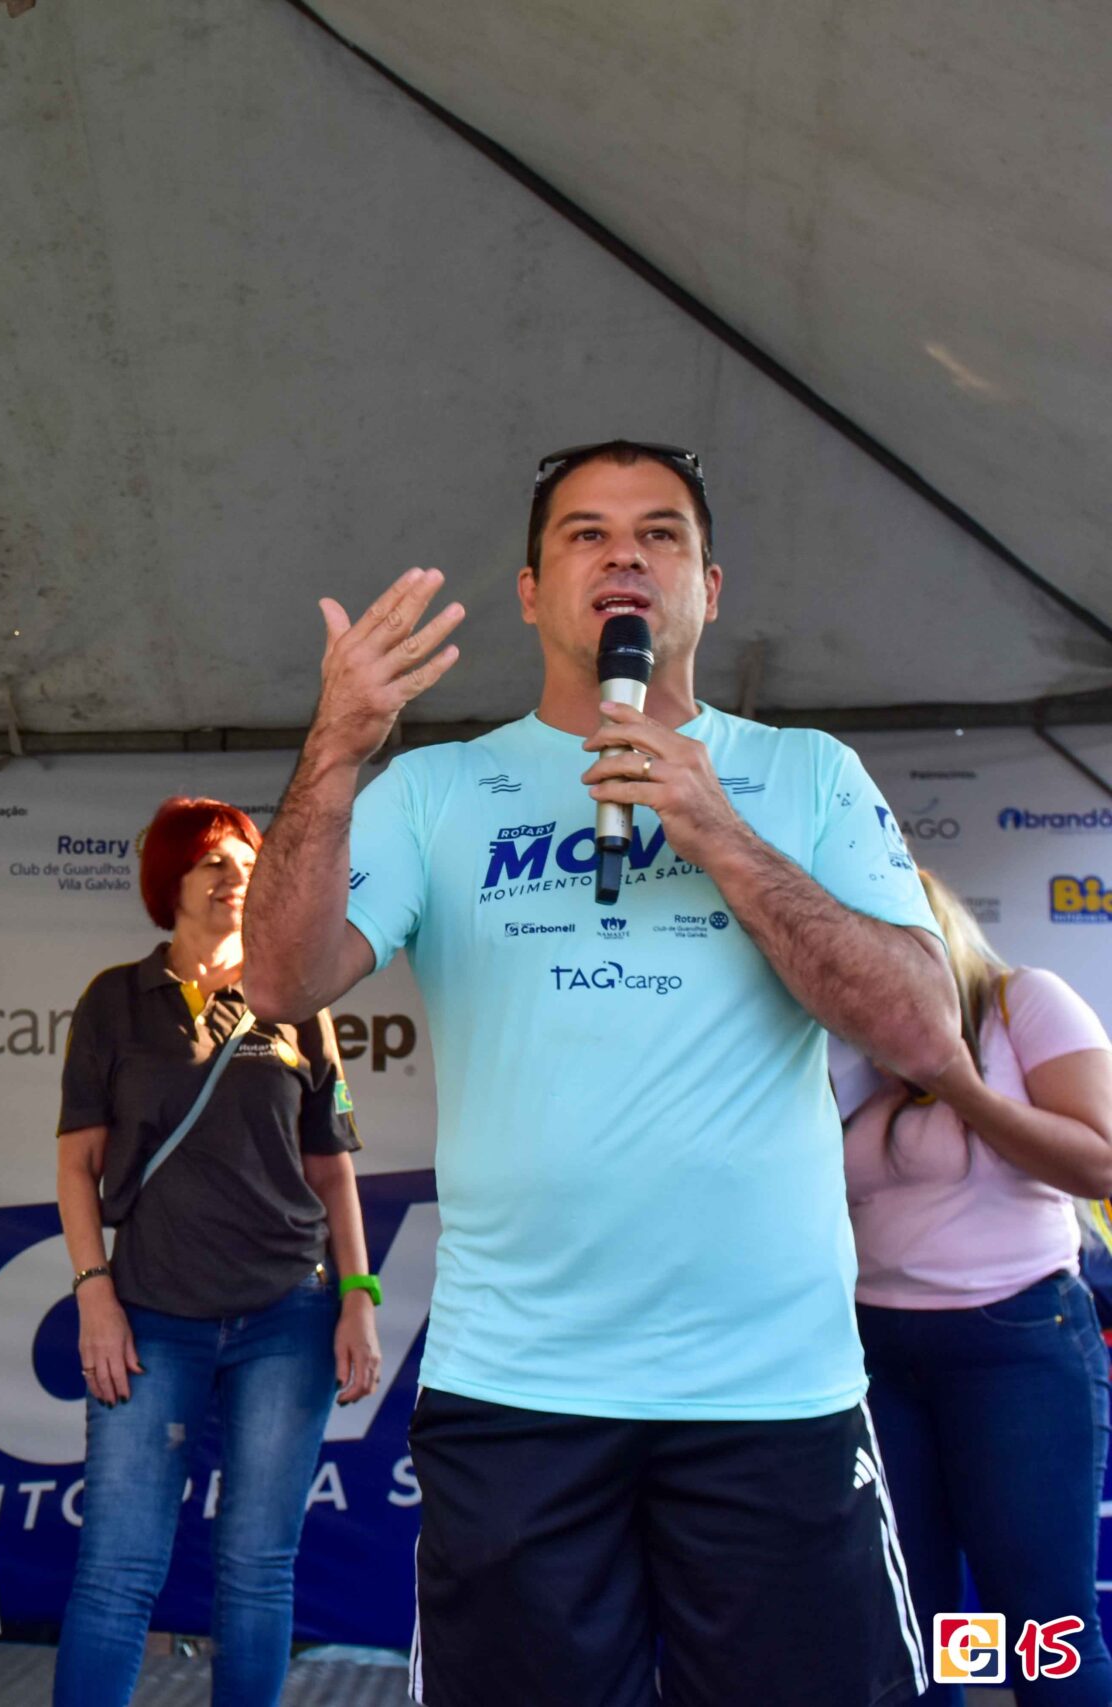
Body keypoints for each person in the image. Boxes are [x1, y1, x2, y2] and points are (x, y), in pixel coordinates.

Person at [239, 441, 966, 1706]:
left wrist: (721, 835)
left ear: (709, 589)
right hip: (519, 1388)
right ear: (529, 593)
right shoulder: (436, 788)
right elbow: (279, 982)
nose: (623, 554)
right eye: (585, 533)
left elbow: (921, 1033)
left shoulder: (802, 772)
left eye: (659, 533)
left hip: (768, 1387)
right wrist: (336, 750)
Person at [52, 796, 379, 1707]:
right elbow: (76, 1165)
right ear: (171, 879)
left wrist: (358, 1292)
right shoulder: (115, 1000)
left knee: (257, 1566)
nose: (235, 877)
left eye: (246, 861)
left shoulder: (295, 997)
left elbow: (332, 1168)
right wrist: (94, 1293)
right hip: (151, 1316)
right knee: (117, 1567)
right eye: (212, 862)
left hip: (288, 1314)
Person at [844, 869, 1112, 1705]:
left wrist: (957, 1081)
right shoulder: (846, 1037)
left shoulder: (1019, 1002)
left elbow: (1099, 1160)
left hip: (1016, 1338)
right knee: (919, 1626)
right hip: (876, 1352)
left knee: (1042, 1627)